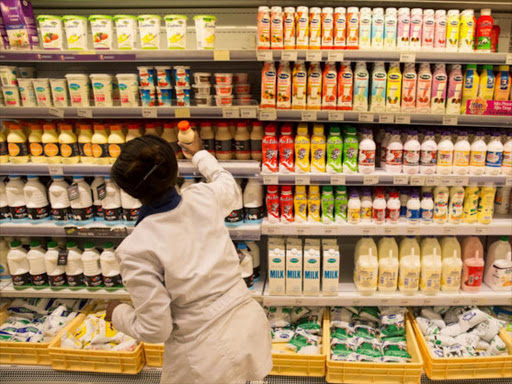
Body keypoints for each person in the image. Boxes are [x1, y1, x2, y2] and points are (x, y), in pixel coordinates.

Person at [105, 130, 272, 384]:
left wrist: (118, 314)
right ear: (175, 171)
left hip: (204, 354)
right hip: (248, 325)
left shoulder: (136, 248)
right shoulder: (204, 197)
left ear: (129, 192)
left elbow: (155, 329)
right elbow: (226, 182)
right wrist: (199, 154)